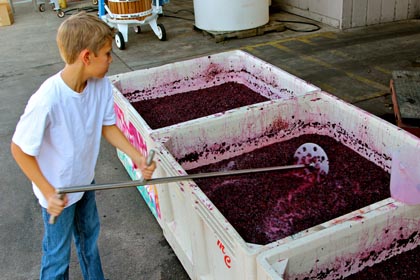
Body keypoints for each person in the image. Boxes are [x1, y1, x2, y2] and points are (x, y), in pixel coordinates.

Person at [10, 12, 156, 280]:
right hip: (59, 192)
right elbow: (19, 149)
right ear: (87, 57)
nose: (112, 60)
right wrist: (49, 191)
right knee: (57, 257)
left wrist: (138, 156)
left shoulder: (100, 86)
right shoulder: (48, 99)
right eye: (107, 54)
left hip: (85, 182)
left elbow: (108, 127)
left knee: (89, 242)